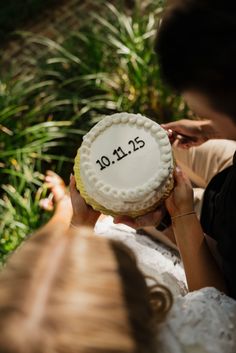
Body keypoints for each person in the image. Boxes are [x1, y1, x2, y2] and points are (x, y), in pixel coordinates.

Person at [114, 0, 236, 299]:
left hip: (219, 220)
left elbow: (217, 304)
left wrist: (174, 218)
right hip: (229, 165)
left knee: (133, 197)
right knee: (165, 149)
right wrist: (209, 127)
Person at [0, 171, 172, 353]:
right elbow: (204, 293)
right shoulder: (188, 330)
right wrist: (178, 219)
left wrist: (82, 221)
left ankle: (64, 207)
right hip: (160, 237)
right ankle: (66, 209)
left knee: (45, 256)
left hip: (111, 236)